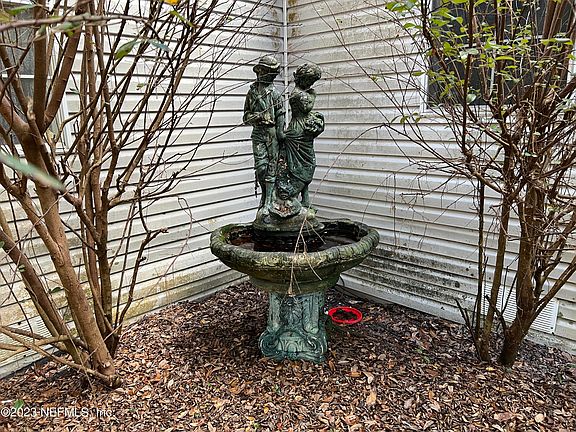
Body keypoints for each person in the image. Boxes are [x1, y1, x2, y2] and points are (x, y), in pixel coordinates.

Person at [243, 55, 286, 216]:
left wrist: (281, 132)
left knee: (272, 166)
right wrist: (256, 117)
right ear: (260, 71)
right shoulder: (252, 93)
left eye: (271, 73)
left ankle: (268, 200)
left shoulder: (275, 94)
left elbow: (281, 113)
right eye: (266, 72)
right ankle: (264, 194)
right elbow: (245, 116)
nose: (269, 76)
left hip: (272, 133)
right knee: (261, 167)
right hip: (258, 133)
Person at [276, 63, 324, 207]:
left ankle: (304, 199)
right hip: (298, 131)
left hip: (304, 131)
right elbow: (306, 108)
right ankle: (292, 197)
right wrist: (313, 95)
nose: (311, 84)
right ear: (302, 78)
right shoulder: (298, 93)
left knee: (307, 163)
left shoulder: (304, 92)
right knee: (299, 165)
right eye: (309, 80)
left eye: (312, 81)